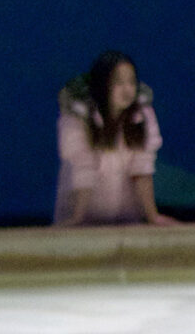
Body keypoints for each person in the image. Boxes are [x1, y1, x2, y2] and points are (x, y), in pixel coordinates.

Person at [53, 50, 175, 226]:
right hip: (80, 219)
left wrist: (152, 216)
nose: (127, 90)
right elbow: (83, 168)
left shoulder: (142, 115)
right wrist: (77, 219)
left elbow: (142, 167)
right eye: (118, 82)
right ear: (103, 84)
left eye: (131, 82)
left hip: (126, 218)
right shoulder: (77, 116)